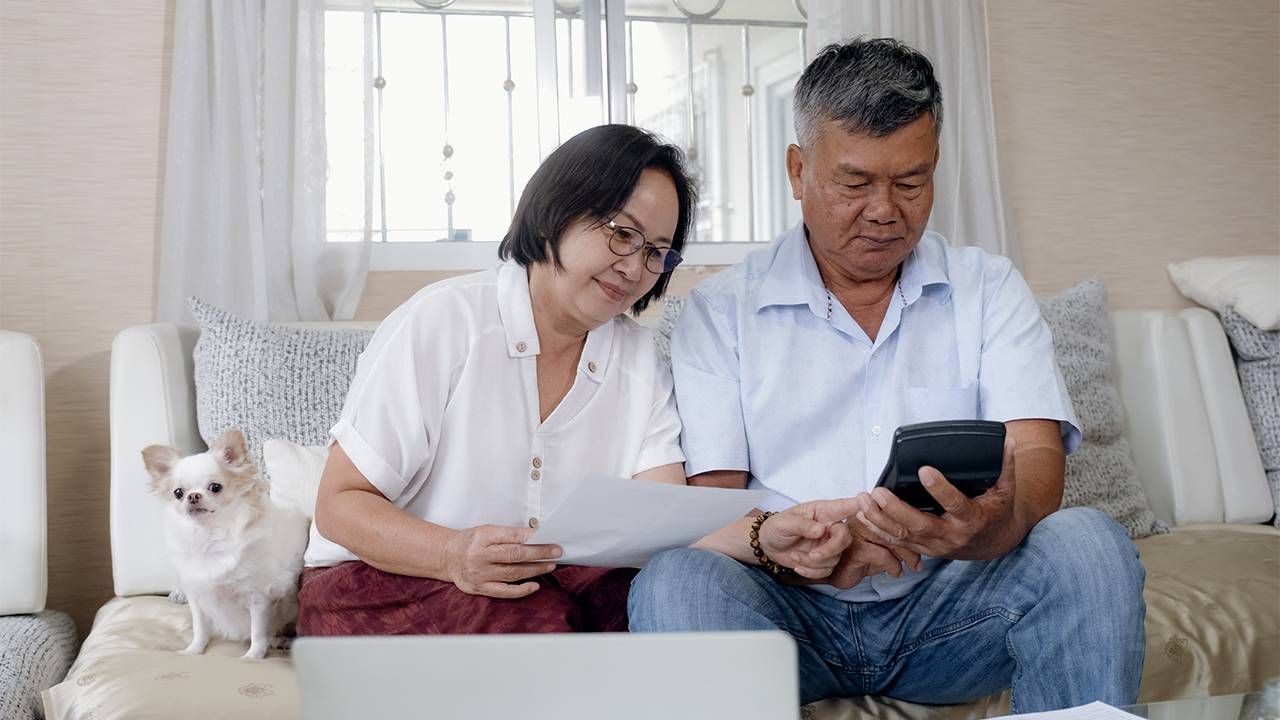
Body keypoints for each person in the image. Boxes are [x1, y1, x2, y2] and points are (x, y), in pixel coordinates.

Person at [627, 38, 1146, 713]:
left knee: (1090, 544)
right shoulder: (718, 313)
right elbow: (716, 505)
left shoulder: (987, 288)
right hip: (786, 619)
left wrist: (984, 530)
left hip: (950, 610)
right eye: (855, 183)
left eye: (911, 182)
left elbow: (1039, 460)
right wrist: (799, 554)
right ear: (797, 169)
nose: (884, 211)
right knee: (675, 580)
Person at [296, 124, 700, 635]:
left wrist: (767, 537)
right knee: (531, 625)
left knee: (666, 601)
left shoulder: (642, 357)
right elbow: (338, 506)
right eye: (623, 233)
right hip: (383, 578)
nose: (635, 267)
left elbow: (660, 516)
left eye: (656, 252)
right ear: (558, 211)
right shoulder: (446, 321)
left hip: (547, 583)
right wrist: (452, 554)